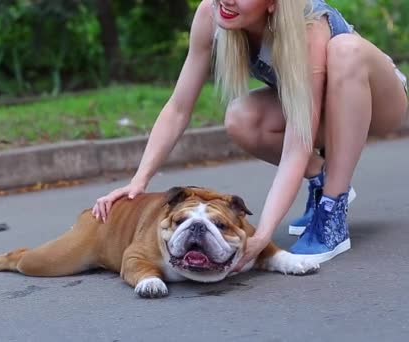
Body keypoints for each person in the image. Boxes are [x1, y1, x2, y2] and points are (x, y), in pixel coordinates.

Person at [91, 0, 408, 271]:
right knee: (241, 118)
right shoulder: (211, 15)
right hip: (320, 108)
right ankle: (322, 178)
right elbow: (177, 108)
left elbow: (297, 144)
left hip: (376, 105)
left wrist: (262, 236)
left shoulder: (306, 24)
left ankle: (333, 207)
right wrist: (139, 181)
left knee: (344, 49)